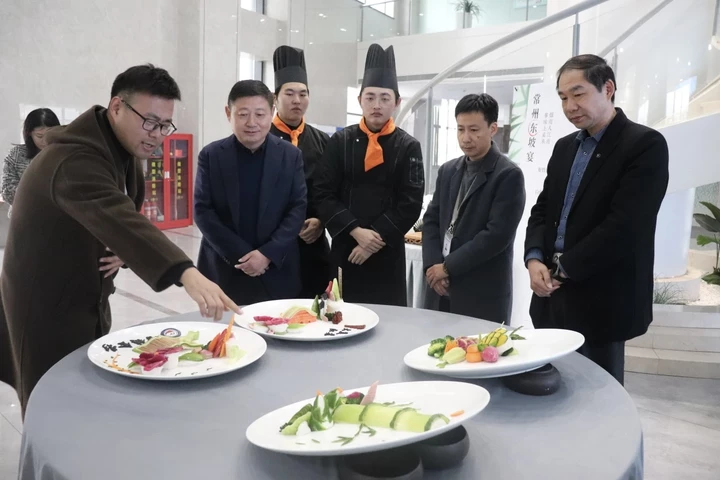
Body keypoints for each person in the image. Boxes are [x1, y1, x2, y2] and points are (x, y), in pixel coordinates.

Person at [0, 64, 240, 415]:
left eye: (165, 125)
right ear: (116, 107)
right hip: (45, 304)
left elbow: (113, 216)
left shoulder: (118, 149)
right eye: (150, 122)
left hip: (84, 290)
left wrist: (121, 251)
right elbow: (117, 214)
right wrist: (186, 272)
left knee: (84, 394)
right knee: (51, 402)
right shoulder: (73, 159)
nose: (157, 135)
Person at [524, 54, 669, 385]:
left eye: (578, 94)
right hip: (551, 295)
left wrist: (563, 269)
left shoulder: (644, 144)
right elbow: (542, 210)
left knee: (599, 395)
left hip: (602, 297)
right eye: (563, 97)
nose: (570, 106)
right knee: (551, 390)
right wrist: (533, 259)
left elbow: (625, 226)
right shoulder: (564, 148)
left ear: (608, 88)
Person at [314, 44, 424, 306]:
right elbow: (323, 193)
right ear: (360, 100)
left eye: (385, 98)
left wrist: (373, 239)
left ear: (397, 102)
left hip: (387, 251)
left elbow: (410, 203)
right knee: (340, 315)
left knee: (389, 319)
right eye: (370, 97)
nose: (377, 105)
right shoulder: (340, 141)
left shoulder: (408, 146)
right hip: (346, 248)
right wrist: (356, 231)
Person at [194, 80, 307, 305]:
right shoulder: (211, 155)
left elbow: (297, 208)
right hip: (224, 269)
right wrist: (244, 257)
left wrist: (267, 254)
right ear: (229, 113)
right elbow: (202, 211)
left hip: (276, 269)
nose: (252, 123)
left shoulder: (290, 155)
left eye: (260, 114)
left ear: (272, 112)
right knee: (224, 327)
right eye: (243, 114)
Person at [422, 93, 525, 323]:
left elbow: (496, 236)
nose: (465, 138)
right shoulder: (448, 170)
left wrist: (447, 268)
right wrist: (432, 267)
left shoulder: (508, 175)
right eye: (460, 129)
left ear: (492, 129)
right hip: (439, 287)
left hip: (480, 292)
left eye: (474, 130)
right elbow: (431, 220)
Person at [269, 45, 331, 298]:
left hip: (313, 245)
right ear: (275, 98)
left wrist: (321, 221)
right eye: (289, 93)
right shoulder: (261, 138)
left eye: (303, 94)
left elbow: (332, 189)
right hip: (272, 245)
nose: (297, 100)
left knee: (315, 308)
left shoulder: (323, 141)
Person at [2, 108, 61, 217]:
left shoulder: (64, 154)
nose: (45, 140)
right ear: (29, 134)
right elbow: (7, 191)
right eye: (39, 136)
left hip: (58, 217)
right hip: (23, 217)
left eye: (50, 135)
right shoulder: (16, 155)